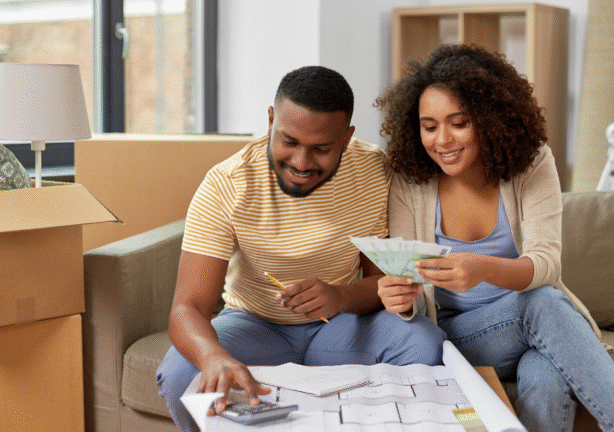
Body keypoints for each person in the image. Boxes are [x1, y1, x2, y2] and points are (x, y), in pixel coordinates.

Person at [375, 44, 614, 432]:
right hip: (462, 335)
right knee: (538, 303)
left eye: (459, 123)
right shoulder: (410, 181)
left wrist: (483, 268)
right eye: (429, 126)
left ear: (490, 120)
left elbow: (546, 264)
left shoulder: (532, 163)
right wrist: (399, 300)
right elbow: (410, 285)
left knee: (545, 379)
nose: (442, 140)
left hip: (537, 328)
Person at [156, 65, 446, 432]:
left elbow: (382, 284)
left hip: (342, 325)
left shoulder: (374, 171)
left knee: (423, 344)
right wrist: (213, 357)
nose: (301, 163)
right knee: (181, 373)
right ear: (271, 120)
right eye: (289, 142)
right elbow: (188, 308)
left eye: (321, 149)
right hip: (254, 325)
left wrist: (339, 296)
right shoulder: (226, 184)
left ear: (346, 137)